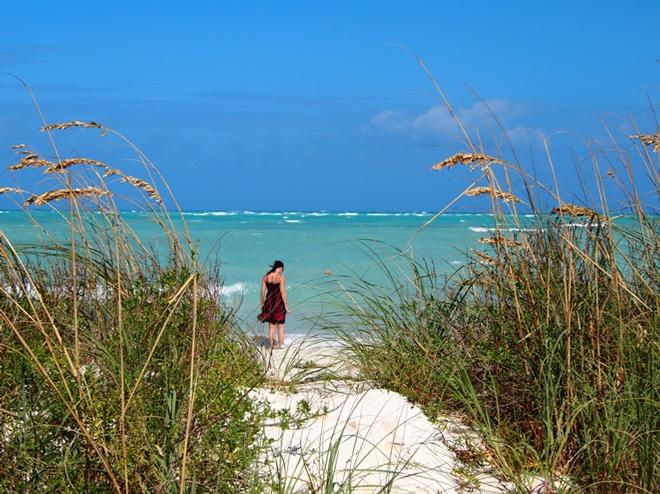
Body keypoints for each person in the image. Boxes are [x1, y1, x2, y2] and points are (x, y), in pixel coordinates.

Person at [259, 260, 289, 349]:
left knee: (271, 326)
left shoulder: (266, 277)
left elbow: (262, 292)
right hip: (278, 303)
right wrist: (286, 306)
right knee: (280, 326)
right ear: (279, 268)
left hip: (269, 302)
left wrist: (262, 303)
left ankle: (271, 345)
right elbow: (283, 293)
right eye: (282, 269)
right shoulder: (281, 278)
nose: (282, 271)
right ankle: (281, 345)